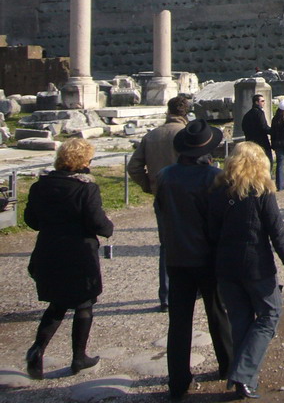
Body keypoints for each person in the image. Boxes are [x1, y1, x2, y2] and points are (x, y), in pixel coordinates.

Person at [209, 142, 284, 399]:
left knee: (240, 319)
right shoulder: (260, 191)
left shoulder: (218, 191)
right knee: (269, 314)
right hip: (256, 265)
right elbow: (277, 232)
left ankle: (242, 376)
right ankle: (243, 372)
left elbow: (211, 232)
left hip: (227, 266)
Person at [154, 120, 233, 402]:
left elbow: (161, 212)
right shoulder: (215, 177)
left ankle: (178, 380)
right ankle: (227, 365)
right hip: (207, 255)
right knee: (218, 312)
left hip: (176, 256)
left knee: (179, 321)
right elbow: (220, 219)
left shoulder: (164, 176)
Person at [24, 138, 114, 380]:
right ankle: (79, 357)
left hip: (48, 249)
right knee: (84, 303)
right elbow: (97, 223)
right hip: (78, 252)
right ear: (82, 161)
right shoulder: (85, 188)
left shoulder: (40, 186)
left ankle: (37, 349)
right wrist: (109, 227)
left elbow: (31, 221)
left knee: (57, 303)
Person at [127, 94, 191, 311]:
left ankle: (165, 295)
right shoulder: (186, 134)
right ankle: (193, 288)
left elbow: (133, 167)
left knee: (167, 245)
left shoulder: (151, 135)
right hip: (188, 195)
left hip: (162, 195)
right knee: (194, 240)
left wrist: (149, 185)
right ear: (186, 112)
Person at [241, 94, 273, 164]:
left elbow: (243, 127)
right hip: (261, 142)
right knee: (267, 162)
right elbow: (264, 127)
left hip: (250, 142)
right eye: (262, 101)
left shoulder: (247, 115)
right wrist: (274, 131)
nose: (264, 103)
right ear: (256, 102)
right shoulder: (259, 113)